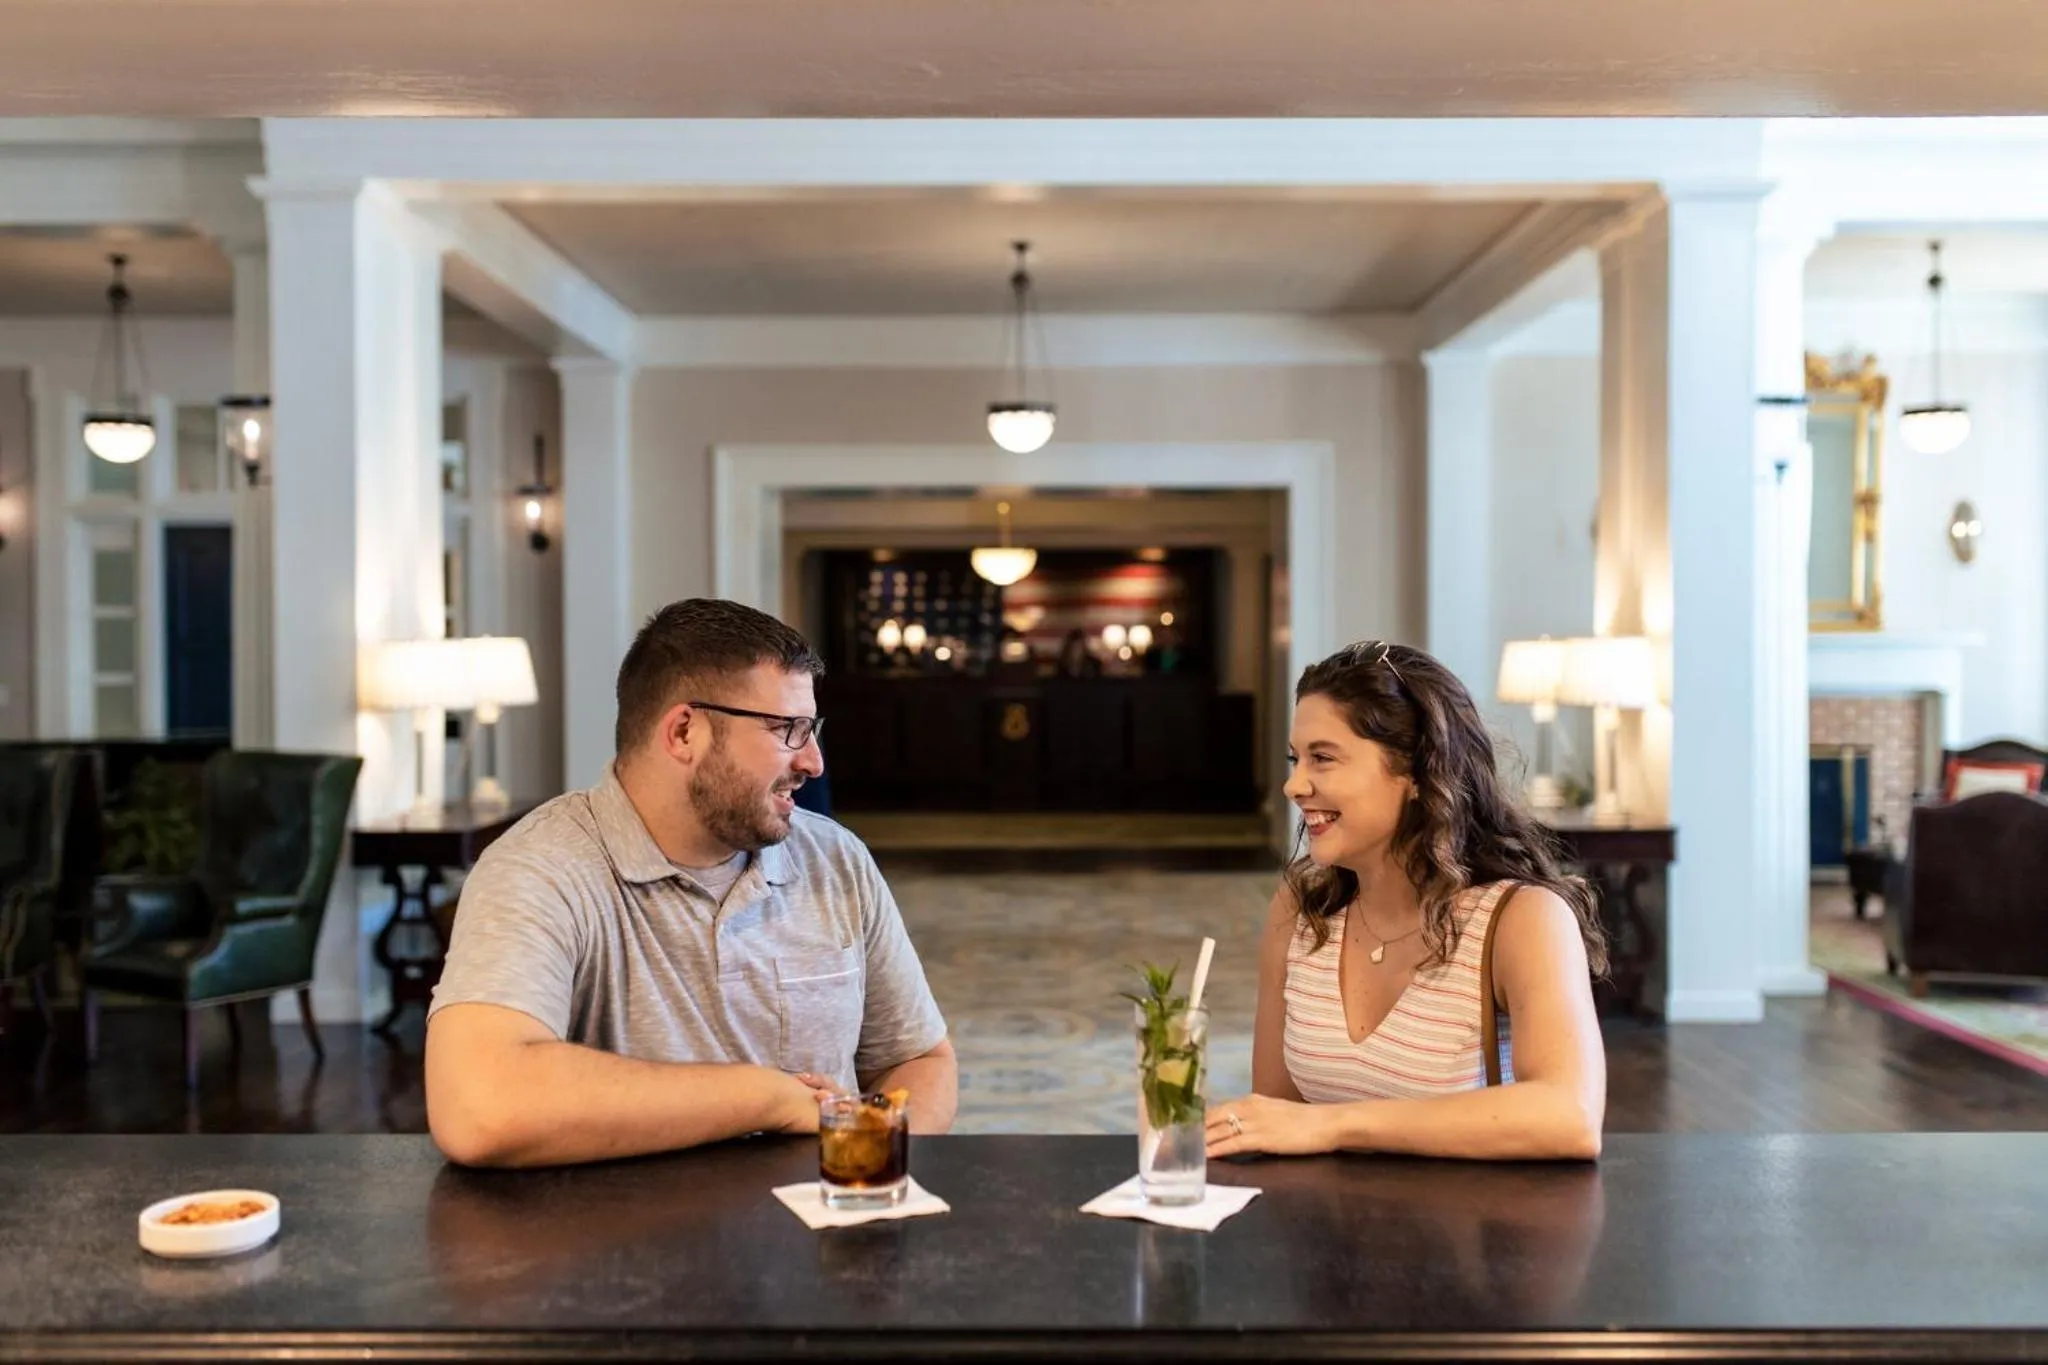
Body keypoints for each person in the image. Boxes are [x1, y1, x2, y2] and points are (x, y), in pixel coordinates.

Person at [426, 599, 957, 1168]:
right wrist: (767, 1098)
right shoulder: (541, 868)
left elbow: (921, 1060)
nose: (813, 761)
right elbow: (480, 1106)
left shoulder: (835, 858)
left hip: (815, 1244)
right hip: (621, 1246)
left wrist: (871, 1167)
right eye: (788, 729)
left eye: (812, 729)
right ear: (684, 732)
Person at [1206, 640, 1607, 1163]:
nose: (1293, 784)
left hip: (1470, 1236)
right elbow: (1279, 1119)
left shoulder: (1521, 919)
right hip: (1324, 1236)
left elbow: (1569, 1117)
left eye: (1322, 758)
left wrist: (1334, 1125)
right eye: (1295, 759)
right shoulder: (1299, 911)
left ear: (1416, 773)